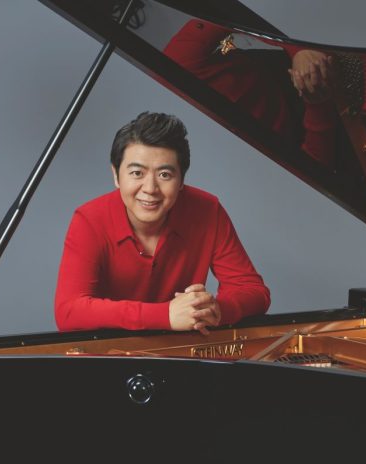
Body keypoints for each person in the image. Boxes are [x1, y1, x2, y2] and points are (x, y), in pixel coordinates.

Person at [54, 112, 270, 335]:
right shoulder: (89, 220)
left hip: (183, 353)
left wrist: (216, 309)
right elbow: (69, 312)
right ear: (116, 175)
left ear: (181, 181)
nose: (150, 188)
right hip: (108, 357)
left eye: (165, 175)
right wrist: (164, 315)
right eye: (137, 173)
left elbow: (254, 291)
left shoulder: (207, 210)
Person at [163, 20, 338, 169]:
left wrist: (298, 49)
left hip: (280, 73)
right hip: (304, 137)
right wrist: (318, 105)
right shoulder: (201, 163)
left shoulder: (172, 65)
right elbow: (314, 167)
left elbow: (232, 13)